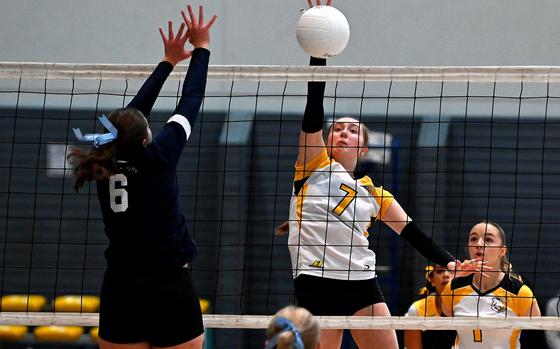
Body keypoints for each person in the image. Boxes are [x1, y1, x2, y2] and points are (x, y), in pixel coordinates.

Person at [282, 1, 486, 348]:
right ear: (328, 141)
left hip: (361, 280)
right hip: (315, 280)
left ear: (362, 148)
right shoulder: (312, 166)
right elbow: (313, 112)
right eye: (338, 130)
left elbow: (413, 233)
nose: (343, 132)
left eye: (352, 131)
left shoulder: (374, 193)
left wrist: (452, 263)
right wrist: (318, 56)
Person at [68, 5, 217, 349]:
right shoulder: (159, 157)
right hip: (169, 285)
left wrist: (167, 62)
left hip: (120, 288)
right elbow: (191, 99)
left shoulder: (100, 160)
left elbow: (130, 117)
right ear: (147, 136)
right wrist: (202, 47)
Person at [441, 221, 541, 349]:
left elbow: (537, 336)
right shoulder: (453, 288)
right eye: (473, 239)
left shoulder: (520, 292)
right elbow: (445, 334)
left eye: (488, 239)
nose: (479, 244)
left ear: (502, 251)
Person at [404, 265, 456, 349]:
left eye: (451, 271)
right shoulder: (417, 309)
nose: (446, 274)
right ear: (432, 280)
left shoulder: (467, 306)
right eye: (439, 271)